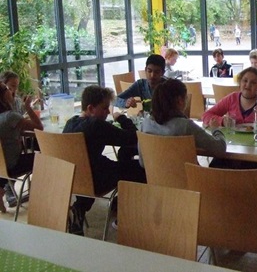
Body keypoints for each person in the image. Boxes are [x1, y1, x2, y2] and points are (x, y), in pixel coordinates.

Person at [63, 85, 146, 235]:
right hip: (96, 180)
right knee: (140, 169)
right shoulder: (96, 125)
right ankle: (125, 214)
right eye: (104, 108)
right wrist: (121, 118)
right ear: (90, 108)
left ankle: (80, 208)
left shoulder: (70, 123)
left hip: (73, 179)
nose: (108, 112)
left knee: (103, 163)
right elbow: (132, 137)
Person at [139, 78, 226, 167]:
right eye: (186, 98)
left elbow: (142, 163)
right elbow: (220, 149)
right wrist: (215, 129)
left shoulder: (145, 124)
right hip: (191, 179)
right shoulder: (185, 126)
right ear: (180, 100)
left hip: (155, 179)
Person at [202, 67, 257, 168]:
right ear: (240, 83)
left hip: (255, 151)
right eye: (245, 81)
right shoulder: (232, 98)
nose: (248, 85)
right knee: (215, 168)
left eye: (253, 83)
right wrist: (222, 121)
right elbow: (206, 115)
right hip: (230, 148)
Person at [0, 81, 43, 213]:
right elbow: (39, 127)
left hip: (1, 166)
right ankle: (44, 196)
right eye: (7, 88)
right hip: (13, 164)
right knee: (46, 157)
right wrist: (28, 107)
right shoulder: (10, 117)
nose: (11, 91)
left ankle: (3, 190)